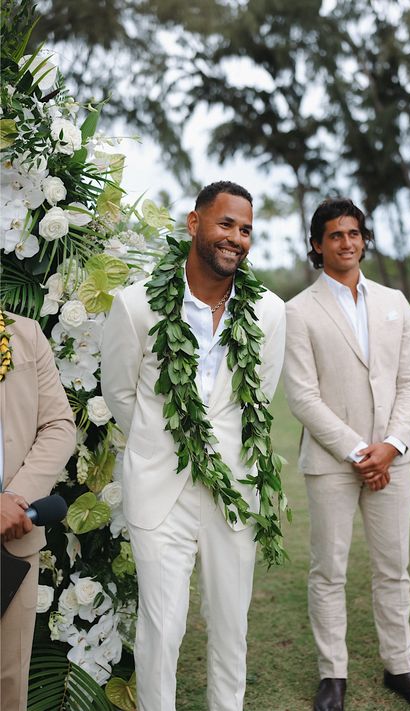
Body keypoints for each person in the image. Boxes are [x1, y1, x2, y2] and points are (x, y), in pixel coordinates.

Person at [101, 181, 286, 711]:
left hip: (234, 491)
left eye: (246, 229)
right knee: (163, 628)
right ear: (194, 223)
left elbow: (261, 396)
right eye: (226, 223)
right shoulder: (136, 306)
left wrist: (218, 454)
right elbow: (119, 392)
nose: (236, 237)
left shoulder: (269, 312)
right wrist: (166, 443)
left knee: (231, 624)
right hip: (160, 491)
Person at [284, 198, 410, 711]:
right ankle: (334, 674)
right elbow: (303, 396)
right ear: (317, 244)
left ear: (364, 240)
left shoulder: (396, 301)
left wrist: (391, 445)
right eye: (334, 235)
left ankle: (401, 667)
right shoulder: (298, 311)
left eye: (354, 233)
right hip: (334, 462)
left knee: (394, 568)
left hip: (393, 459)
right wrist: (358, 451)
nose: (346, 242)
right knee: (329, 570)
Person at [0, 311, 76, 711]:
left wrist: (15, 498)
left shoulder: (24, 334)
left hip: (14, 544)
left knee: (9, 684)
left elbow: (59, 425)